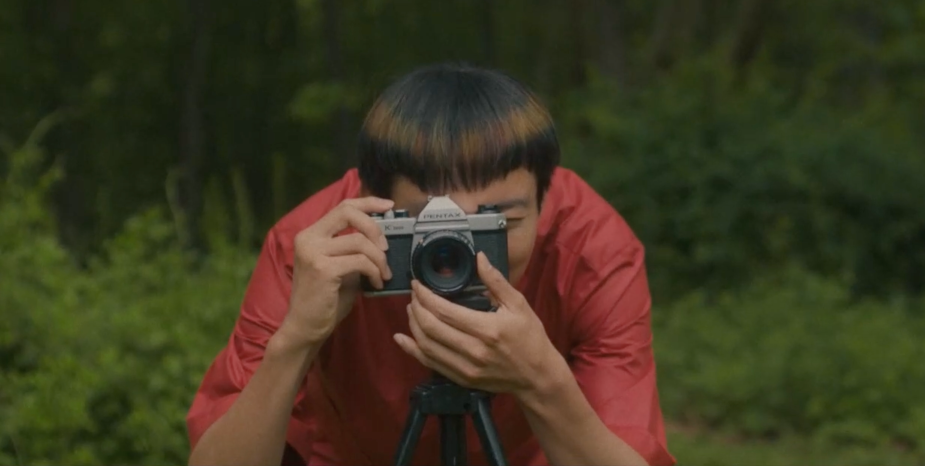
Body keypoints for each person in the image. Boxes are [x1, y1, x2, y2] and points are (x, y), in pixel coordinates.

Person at [186, 63, 675, 466]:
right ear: (374, 203)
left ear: (545, 200)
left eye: (498, 221)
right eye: (433, 228)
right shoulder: (318, 246)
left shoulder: (589, 245)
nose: (467, 255)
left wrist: (540, 378)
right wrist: (294, 342)